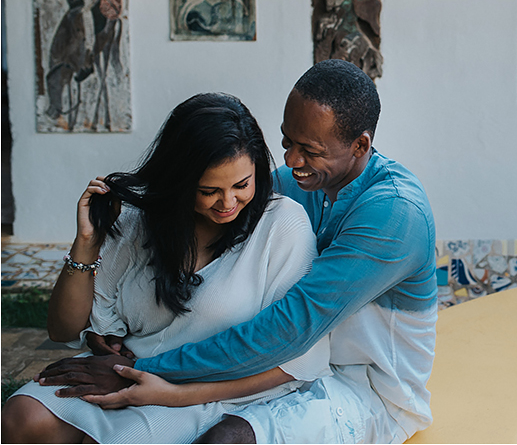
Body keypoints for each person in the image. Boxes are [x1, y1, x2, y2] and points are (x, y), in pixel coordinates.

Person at [37, 59, 439, 444]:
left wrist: (139, 369)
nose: (291, 161)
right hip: (296, 368)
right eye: (286, 142)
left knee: (226, 439)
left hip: (367, 388)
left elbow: (291, 326)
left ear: (360, 144)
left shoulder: (395, 213)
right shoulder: (302, 181)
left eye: (310, 150)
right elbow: (212, 191)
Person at [2, 93, 331, 443]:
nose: (228, 203)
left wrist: (161, 388)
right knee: (22, 418)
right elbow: (63, 330)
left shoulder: (282, 225)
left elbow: (297, 359)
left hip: (211, 391)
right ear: (180, 180)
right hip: (122, 372)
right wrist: (87, 243)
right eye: (209, 190)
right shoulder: (138, 220)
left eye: (242, 185)